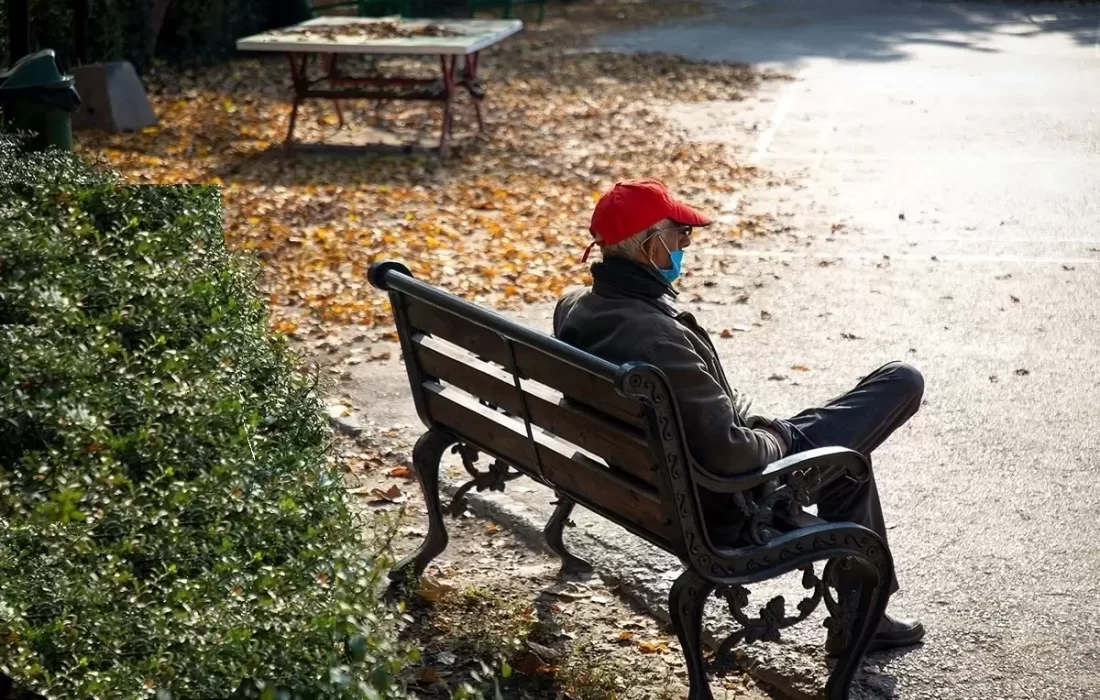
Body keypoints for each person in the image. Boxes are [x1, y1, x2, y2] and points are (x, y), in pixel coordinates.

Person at [553, 178, 925, 653]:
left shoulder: (576, 308)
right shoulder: (655, 338)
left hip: (653, 485)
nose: (686, 244)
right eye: (679, 234)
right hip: (728, 503)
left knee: (845, 454)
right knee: (899, 384)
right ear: (649, 246)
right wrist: (776, 437)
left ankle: (861, 618)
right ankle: (862, 621)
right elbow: (734, 455)